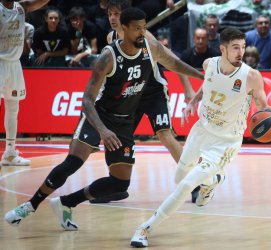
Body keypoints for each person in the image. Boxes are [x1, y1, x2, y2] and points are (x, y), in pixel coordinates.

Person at [4, 7, 204, 230]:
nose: (142, 32)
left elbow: (175, 63)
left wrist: (202, 77)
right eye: (137, 28)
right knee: (73, 162)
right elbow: (87, 100)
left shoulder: (150, 47)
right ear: (124, 28)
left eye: (144, 28)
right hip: (98, 116)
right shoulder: (108, 56)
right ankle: (30, 205)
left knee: (119, 183)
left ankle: (66, 203)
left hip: (124, 121)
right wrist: (103, 130)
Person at [130, 27, 271, 248]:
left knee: (185, 185)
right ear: (223, 49)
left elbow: (262, 105)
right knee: (180, 177)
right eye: (235, 48)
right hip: (201, 130)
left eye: (242, 47)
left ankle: (145, 228)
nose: (240, 52)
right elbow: (209, 84)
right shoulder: (208, 64)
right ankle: (213, 181)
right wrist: (194, 100)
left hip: (226, 142)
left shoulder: (251, 76)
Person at [89, 0, 196, 204]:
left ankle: (194, 183)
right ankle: (115, 185)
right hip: (130, 93)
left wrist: (188, 87)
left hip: (153, 91)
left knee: (165, 135)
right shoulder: (110, 38)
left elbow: (172, 58)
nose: (112, 18)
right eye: (110, 14)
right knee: (116, 138)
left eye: (116, 14)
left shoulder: (143, 35)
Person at [0, 0, 50, 166]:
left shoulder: (21, 7)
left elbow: (38, 2)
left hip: (14, 63)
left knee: (13, 108)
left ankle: (10, 153)